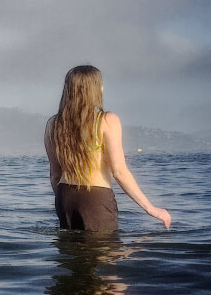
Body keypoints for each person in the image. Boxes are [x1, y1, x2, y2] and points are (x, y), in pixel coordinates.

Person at [44, 65, 170, 232]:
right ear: (95, 88)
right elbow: (119, 172)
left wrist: (66, 199)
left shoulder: (53, 125)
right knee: (104, 253)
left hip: (64, 196)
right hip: (95, 198)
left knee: (70, 255)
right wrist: (151, 208)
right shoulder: (106, 120)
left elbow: (55, 175)